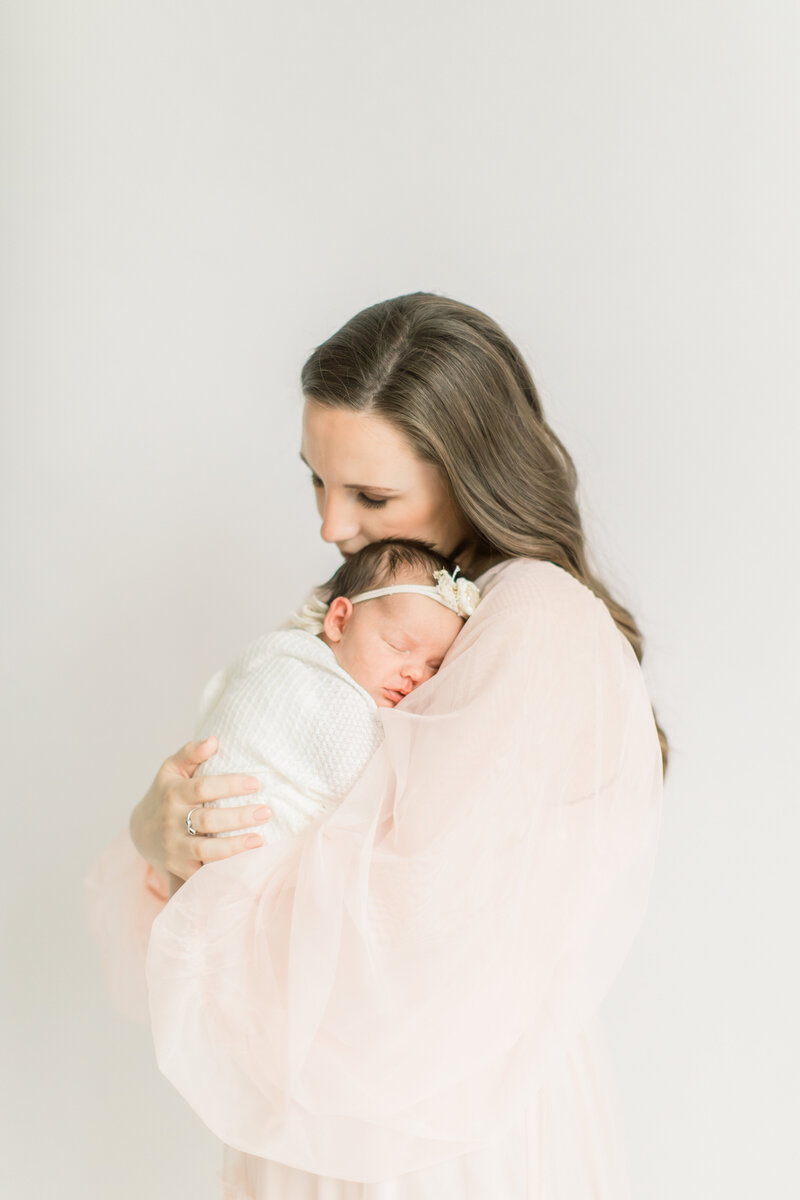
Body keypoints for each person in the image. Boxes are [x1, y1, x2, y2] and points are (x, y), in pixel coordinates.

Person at [85, 291, 666, 1199]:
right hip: (324, 1125)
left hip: (439, 1134)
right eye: (315, 479)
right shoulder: (367, 608)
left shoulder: (535, 621)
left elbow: (397, 943)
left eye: (370, 494)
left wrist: (215, 880)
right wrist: (158, 832)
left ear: (472, 474)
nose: (328, 525)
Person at [188, 538, 479, 855]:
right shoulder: (311, 679)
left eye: (433, 666)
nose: (416, 675)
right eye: (398, 646)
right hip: (246, 827)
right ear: (339, 620)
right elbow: (366, 781)